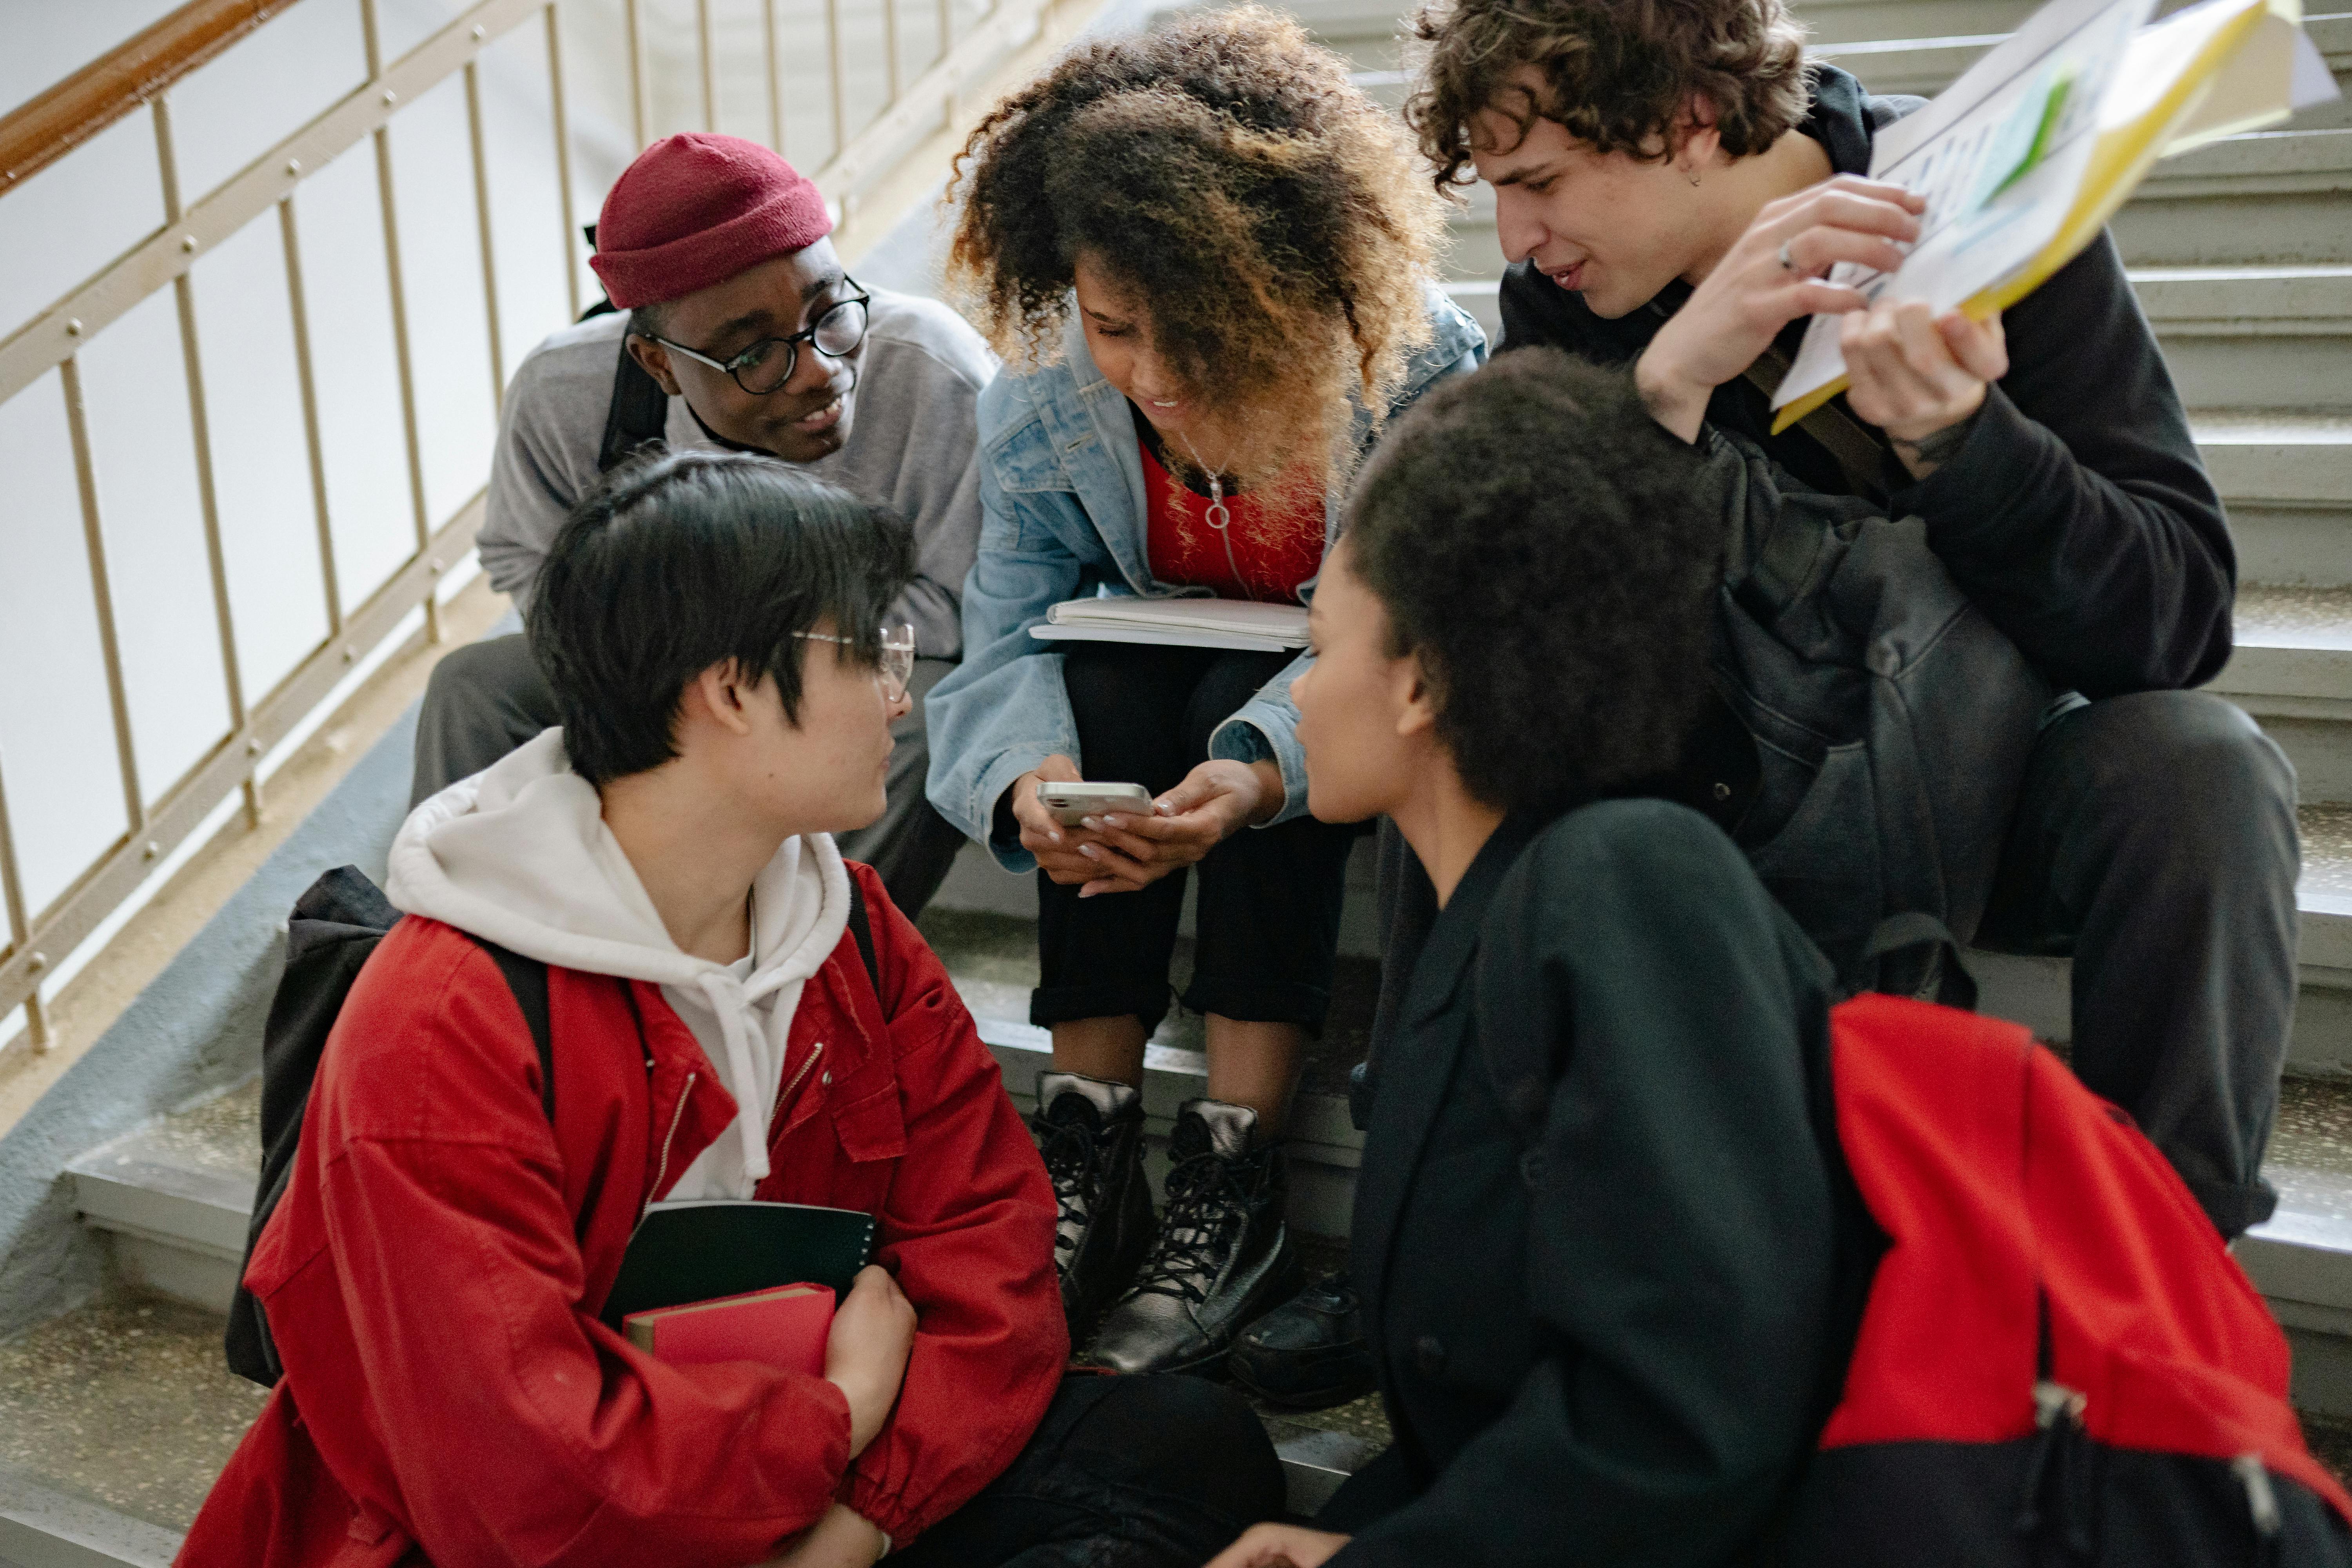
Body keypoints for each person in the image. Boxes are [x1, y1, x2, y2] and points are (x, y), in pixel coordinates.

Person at [178, 452, 1283, 1568]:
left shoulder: (845, 921)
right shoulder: (443, 1020)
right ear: (732, 689)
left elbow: (988, 1245)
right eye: (871, 651)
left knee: (1188, 1449)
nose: (901, 696)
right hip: (555, 1534)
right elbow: (522, 1465)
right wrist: (840, 1413)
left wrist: (856, 1527)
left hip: (816, 1485)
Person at [1394, 0, 2297, 1239]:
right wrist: (1663, 392)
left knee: (2204, 771)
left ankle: (2155, 1293)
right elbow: (1504, 637)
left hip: (1976, 760)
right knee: (1441, 717)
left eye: (1541, 180)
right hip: (1721, 788)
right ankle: (1431, 1226)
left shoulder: (1979, 207)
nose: (1515, 231)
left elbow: (2180, 621)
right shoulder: (1571, 302)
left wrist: (1970, 450)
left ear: (1691, 121)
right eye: (1498, 189)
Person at [1207, 350, 1873, 1568]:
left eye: (1321, 645)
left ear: (1420, 679)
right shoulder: (1490, 920)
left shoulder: (1628, 883)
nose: (1297, 700)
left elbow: (1687, 1412)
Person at [922, 6, 1486, 1376]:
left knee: (1260, 720)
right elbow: (998, 639)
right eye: (1115, 327)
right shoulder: (1044, 404)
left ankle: (1235, 1171)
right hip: (1141, 708)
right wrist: (1029, 788)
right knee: (1098, 681)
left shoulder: (1419, 376)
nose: (1155, 378)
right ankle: (1090, 1136)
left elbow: (1407, 644)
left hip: (1328, 718)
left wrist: (1251, 774)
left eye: (1198, 334)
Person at [412, 132, 991, 917]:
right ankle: (483, 958)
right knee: (472, 687)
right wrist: (678, 663)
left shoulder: (934, 370)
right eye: (753, 353)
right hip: (657, 671)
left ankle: (816, 963)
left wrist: (759, 650)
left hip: (845, 668)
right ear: (657, 363)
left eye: (830, 311)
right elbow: (527, 559)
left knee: (933, 715)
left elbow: (966, 605)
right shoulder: (564, 392)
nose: (822, 367)